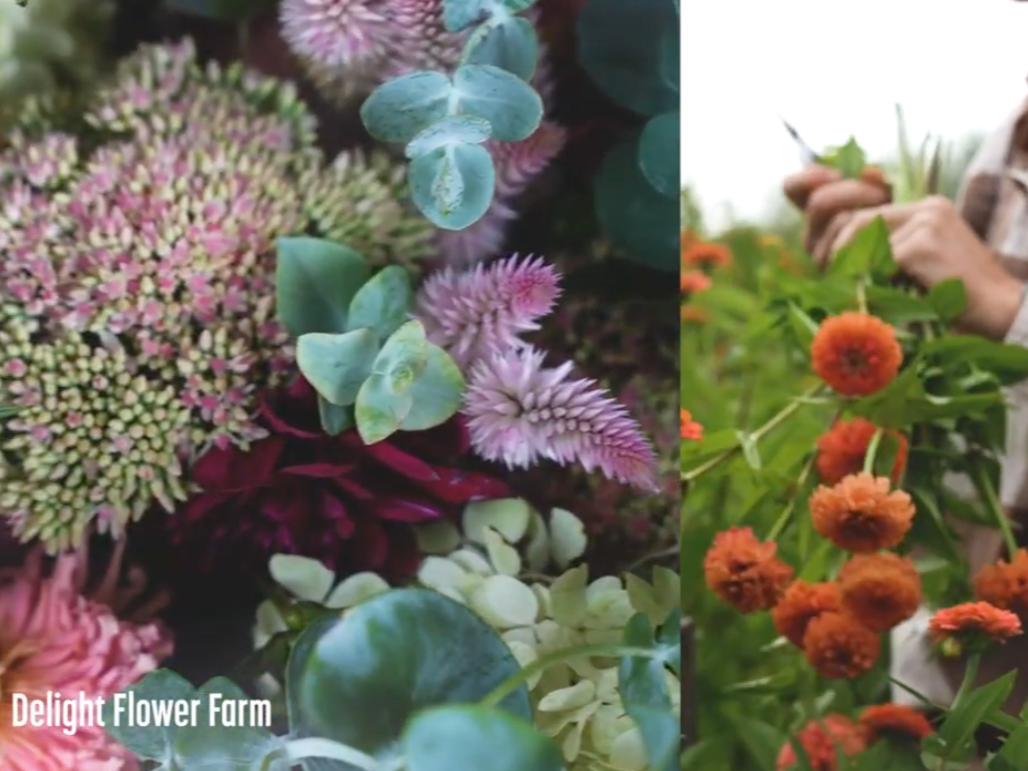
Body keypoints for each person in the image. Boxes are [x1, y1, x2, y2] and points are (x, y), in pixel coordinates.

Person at [784, 97, 1028, 766]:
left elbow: (997, 312)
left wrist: (1010, 306)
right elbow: (973, 372)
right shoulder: (1008, 136)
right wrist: (890, 270)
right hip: (968, 680)